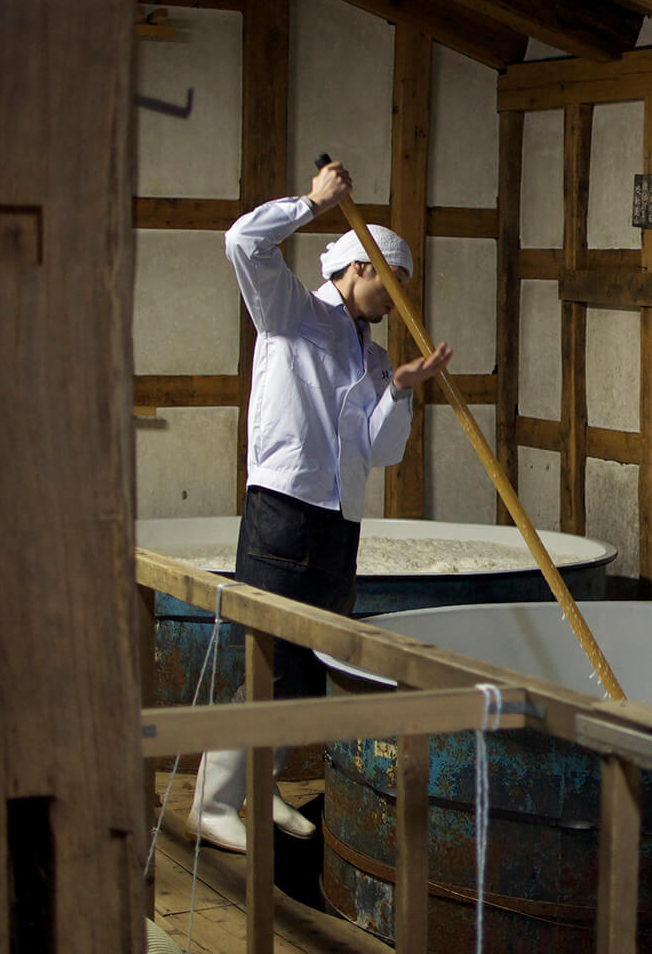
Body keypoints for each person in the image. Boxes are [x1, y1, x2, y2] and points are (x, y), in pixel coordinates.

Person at [186, 161, 453, 852]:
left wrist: (398, 390)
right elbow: (243, 242)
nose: (393, 306)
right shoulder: (289, 314)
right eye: (389, 290)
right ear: (360, 269)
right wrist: (312, 202)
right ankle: (212, 802)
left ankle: (261, 786)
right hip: (282, 506)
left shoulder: (371, 359)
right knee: (265, 657)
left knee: (305, 666)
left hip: (339, 521)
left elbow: (380, 452)